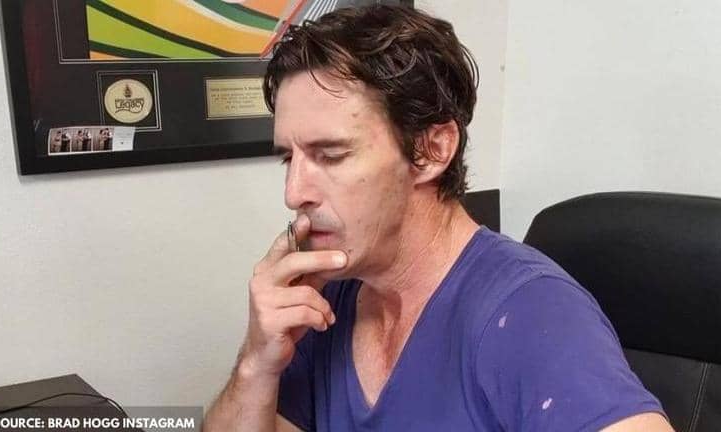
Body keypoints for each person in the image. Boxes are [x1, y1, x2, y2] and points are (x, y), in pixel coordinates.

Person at [204, 5, 674, 432]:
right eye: (290, 158)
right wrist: (256, 362)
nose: (294, 194)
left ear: (432, 150)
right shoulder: (327, 298)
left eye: (331, 155)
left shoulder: (531, 312)